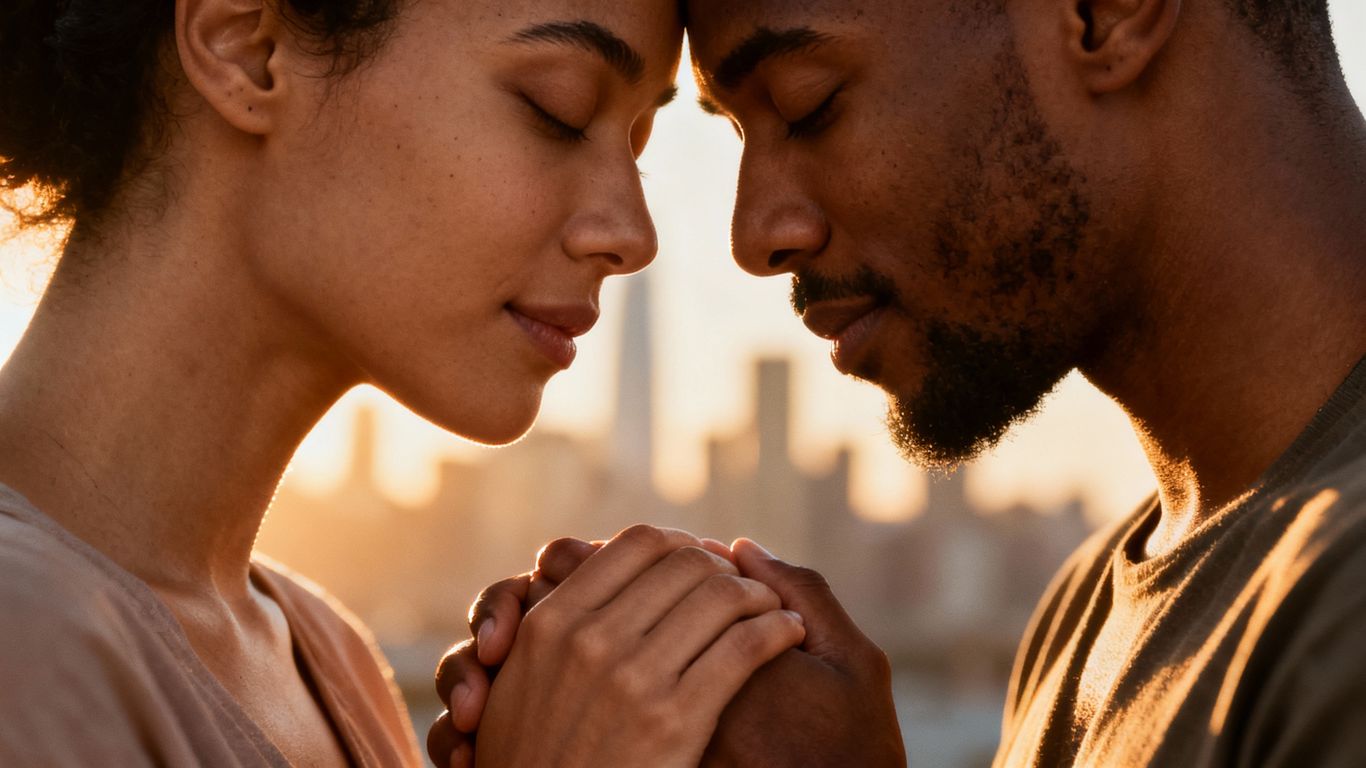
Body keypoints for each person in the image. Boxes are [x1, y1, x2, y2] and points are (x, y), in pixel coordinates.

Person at [432, 0, 1366, 764]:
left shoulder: (1342, 604)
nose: (757, 234)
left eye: (810, 105)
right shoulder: (1089, 614)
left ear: (1102, 13)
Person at [0, 1, 808, 765]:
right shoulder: (22, 636)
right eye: (557, 112)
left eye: (634, 142)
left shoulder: (326, 654)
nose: (632, 234)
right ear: (248, 49)